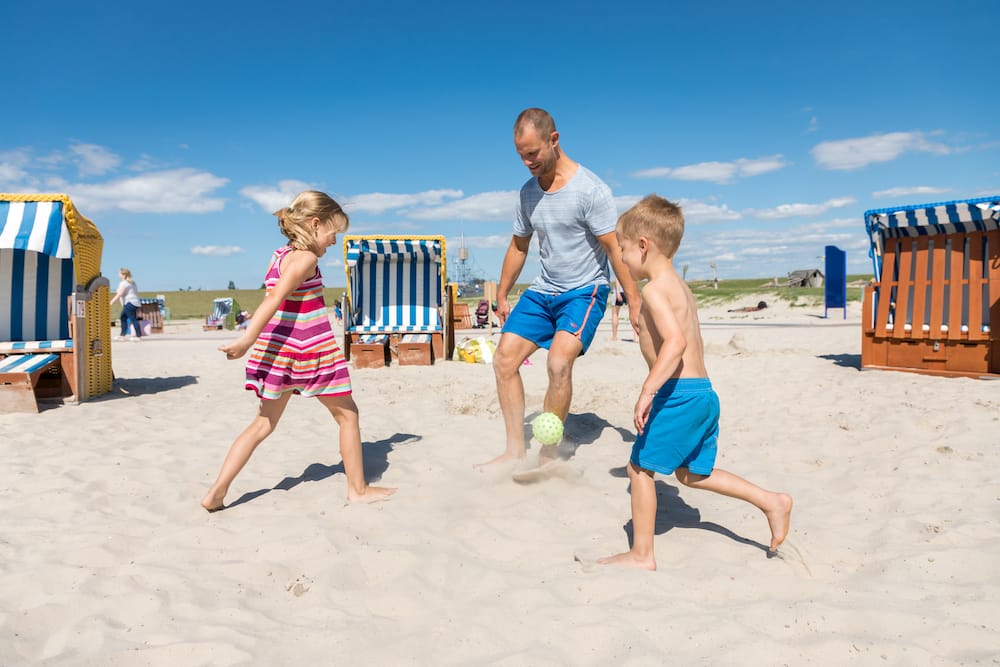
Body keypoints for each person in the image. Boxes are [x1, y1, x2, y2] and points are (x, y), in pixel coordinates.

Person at [597, 195, 792, 570]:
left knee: (639, 469)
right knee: (691, 474)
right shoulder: (679, 286)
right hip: (703, 393)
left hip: (679, 394)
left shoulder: (654, 290)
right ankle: (771, 501)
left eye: (622, 250)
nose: (620, 259)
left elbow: (676, 343)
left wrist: (648, 390)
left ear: (643, 245)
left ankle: (641, 554)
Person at [201, 190, 396, 511]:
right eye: (334, 232)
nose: (334, 241)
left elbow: (275, 298)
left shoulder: (278, 255)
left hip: (277, 353)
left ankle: (216, 493)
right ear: (315, 224)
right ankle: (358, 490)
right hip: (309, 351)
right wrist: (245, 340)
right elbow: (275, 298)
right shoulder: (307, 259)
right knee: (348, 415)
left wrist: (253, 343)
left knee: (262, 424)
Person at [477, 108, 641, 472]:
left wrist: (634, 301)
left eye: (532, 153)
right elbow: (519, 245)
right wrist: (503, 293)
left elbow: (614, 249)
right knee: (504, 360)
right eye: (521, 155)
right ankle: (514, 450)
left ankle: (549, 455)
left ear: (554, 140)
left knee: (559, 362)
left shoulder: (591, 190)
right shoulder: (527, 193)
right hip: (543, 291)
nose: (527, 161)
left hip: (584, 291)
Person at [109, 267, 143, 341]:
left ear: (123, 274)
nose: (118, 275)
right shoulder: (132, 282)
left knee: (132, 319)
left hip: (129, 303)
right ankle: (123, 335)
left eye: (119, 273)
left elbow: (120, 294)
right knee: (123, 318)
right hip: (134, 303)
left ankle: (138, 336)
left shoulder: (124, 283)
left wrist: (111, 301)